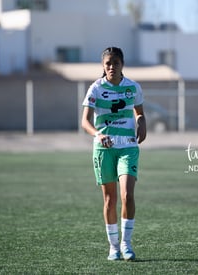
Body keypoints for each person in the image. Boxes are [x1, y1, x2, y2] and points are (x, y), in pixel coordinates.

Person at [81, 47, 147, 261]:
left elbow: (139, 112)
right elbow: (85, 121)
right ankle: (113, 246)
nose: (112, 66)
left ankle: (127, 244)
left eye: (115, 63)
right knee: (110, 199)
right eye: (108, 63)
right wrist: (98, 135)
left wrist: (141, 122)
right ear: (103, 65)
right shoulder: (96, 88)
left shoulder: (133, 87)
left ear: (122, 65)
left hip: (127, 147)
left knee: (127, 195)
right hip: (104, 149)